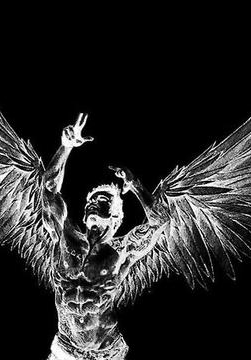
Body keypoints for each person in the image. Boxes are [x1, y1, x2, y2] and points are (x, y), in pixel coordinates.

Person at [43, 114, 167, 360]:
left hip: (106, 353)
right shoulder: (65, 236)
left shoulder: (122, 250)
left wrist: (135, 185)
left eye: (102, 201)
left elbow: (160, 221)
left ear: (116, 216)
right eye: (90, 201)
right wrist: (66, 147)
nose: (93, 203)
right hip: (65, 349)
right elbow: (48, 190)